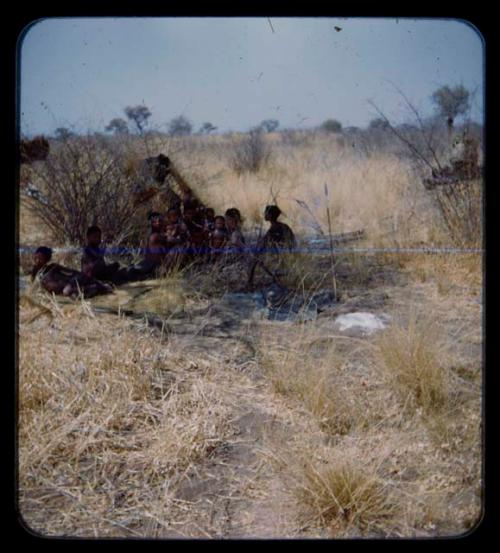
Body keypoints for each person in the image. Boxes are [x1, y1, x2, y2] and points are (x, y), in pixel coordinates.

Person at [30, 246, 112, 299]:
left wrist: (79, 279)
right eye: (36, 257)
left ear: (46, 260)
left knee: (67, 291)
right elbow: (33, 286)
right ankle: (94, 288)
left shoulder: (53, 267)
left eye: (40, 259)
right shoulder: (35, 272)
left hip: (70, 283)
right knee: (73, 296)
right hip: (66, 292)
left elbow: (72, 272)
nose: (37, 261)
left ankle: (101, 287)